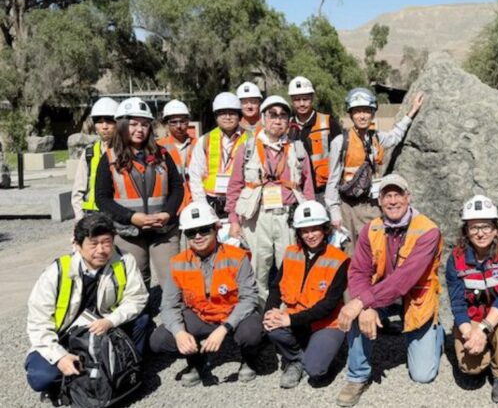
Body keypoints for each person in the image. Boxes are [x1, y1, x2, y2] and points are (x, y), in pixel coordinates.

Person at [334, 174, 444, 407]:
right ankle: (358, 376)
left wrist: (362, 301)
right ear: (380, 201)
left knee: (423, 375)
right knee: (356, 313)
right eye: (387, 196)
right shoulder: (370, 229)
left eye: (398, 194)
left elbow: (404, 280)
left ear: (408, 197)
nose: (393, 201)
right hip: (381, 297)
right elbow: (358, 272)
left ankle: (436, 332)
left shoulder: (428, 230)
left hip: (415, 298)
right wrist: (365, 305)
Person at [25, 214, 149, 404]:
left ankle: (126, 370)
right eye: (93, 244)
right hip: (64, 337)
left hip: (104, 329)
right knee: (41, 378)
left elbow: (138, 297)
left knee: (142, 320)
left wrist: (111, 320)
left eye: (106, 242)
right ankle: (71, 382)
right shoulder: (56, 272)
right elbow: (37, 325)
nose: (101, 250)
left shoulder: (124, 260)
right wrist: (60, 357)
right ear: (77, 244)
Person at [149, 201, 263, 386]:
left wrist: (224, 328)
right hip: (201, 316)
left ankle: (248, 358)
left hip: (233, 314)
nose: (198, 236)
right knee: (159, 340)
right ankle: (196, 361)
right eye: (191, 232)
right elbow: (168, 305)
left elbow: (249, 298)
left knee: (251, 333)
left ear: (216, 229)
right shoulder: (177, 263)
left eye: (203, 230)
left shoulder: (237, 256)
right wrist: (179, 333)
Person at [226, 95, 314, 306]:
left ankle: (286, 312)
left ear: (288, 121)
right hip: (256, 218)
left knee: (290, 268)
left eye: (283, 115)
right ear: (263, 119)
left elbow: (308, 187)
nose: (277, 120)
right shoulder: (247, 148)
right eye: (272, 115)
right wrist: (234, 221)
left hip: (287, 217)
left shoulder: (298, 149)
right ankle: (260, 313)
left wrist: (310, 220)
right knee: (257, 270)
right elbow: (234, 186)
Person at [94, 97, 183, 288]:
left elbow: (177, 187)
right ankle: (142, 309)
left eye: (144, 124)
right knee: (135, 282)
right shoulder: (109, 157)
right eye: (133, 124)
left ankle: (172, 308)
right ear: (122, 126)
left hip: (163, 229)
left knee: (172, 279)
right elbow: (101, 198)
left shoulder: (162, 154)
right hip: (128, 231)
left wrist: (168, 213)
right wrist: (131, 217)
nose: (139, 129)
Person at [445, 195, 498, 404]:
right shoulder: (456, 259)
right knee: (469, 368)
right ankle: (489, 348)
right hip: (474, 316)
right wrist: (469, 334)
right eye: (474, 227)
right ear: (466, 231)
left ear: (495, 229)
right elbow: (457, 303)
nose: (480, 233)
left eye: (486, 226)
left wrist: (482, 330)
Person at [325, 88, 424, 250]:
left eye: (366, 111)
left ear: (372, 113)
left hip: (371, 206)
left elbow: (395, 136)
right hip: (347, 207)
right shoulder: (340, 142)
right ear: (351, 114)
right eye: (357, 111)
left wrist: (411, 112)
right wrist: (335, 213)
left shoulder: (375, 137)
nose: (362, 116)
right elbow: (332, 180)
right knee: (349, 253)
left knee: (375, 249)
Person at [264, 200, 349, 389]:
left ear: (325, 229)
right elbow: (276, 287)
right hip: (297, 319)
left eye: (315, 229)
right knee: (272, 326)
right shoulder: (291, 253)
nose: (310, 235)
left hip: (326, 323)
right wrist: (269, 312)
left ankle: (326, 351)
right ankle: (295, 359)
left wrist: (290, 320)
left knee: (315, 371)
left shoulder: (339, 259)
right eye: (304, 231)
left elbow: (328, 305)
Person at [188, 92, 247, 218]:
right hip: (211, 203)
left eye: (232, 113)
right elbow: (195, 176)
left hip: (241, 202)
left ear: (239, 116)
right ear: (216, 116)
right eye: (222, 113)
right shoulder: (205, 140)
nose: (227, 117)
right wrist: (203, 207)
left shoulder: (251, 140)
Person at [287, 75, 343, 201]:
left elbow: (341, 157)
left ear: (312, 98)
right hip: (297, 191)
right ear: (292, 101)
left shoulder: (328, 122)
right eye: (297, 99)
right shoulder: (287, 127)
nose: (302, 103)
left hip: (324, 191)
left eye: (305, 99)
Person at [72, 97, 119, 220]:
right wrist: (79, 220)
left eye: (109, 121)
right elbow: (78, 192)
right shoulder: (89, 153)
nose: (104, 126)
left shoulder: (126, 152)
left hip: (119, 216)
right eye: (99, 122)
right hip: (93, 217)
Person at [157, 99, 196, 213]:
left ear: (188, 121)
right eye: (173, 122)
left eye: (183, 121)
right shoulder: (158, 147)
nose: (179, 126)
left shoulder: (198, 144)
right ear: (167, 123)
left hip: (195, 202)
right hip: (171, 206)